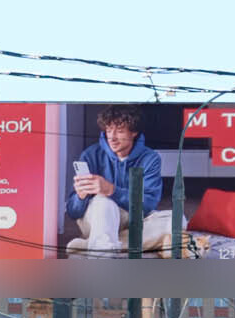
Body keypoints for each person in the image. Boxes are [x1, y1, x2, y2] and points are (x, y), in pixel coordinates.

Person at [64, 104, 166, 255]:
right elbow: (73, 212)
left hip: (130, 221)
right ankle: (103, 252)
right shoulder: (90, 155)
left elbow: (148, 204)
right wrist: (80, 196)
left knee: (177, 221)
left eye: (119, 131)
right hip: (98, 217)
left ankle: (95, 244)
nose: (112, 137)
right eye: (109, 130)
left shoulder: (150, 158)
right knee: (104, 202)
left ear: (134, 132)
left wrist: (111, 190)